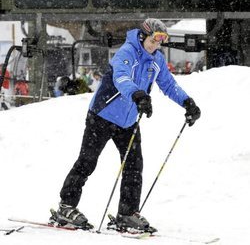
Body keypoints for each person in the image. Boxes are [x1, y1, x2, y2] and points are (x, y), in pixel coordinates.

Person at [51, 18, 201, 232]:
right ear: (142, 36)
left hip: (128, 122)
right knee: (87, 161)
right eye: (153, 40)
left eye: (160, 42)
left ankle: (127, 213)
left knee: (133, 166)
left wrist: (188, 103)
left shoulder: (156, 59)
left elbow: (168, 85)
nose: (156, 45)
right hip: (102, 116)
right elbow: (122, 78)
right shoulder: (126, 53)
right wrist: (138, 95)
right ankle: (66, 207)